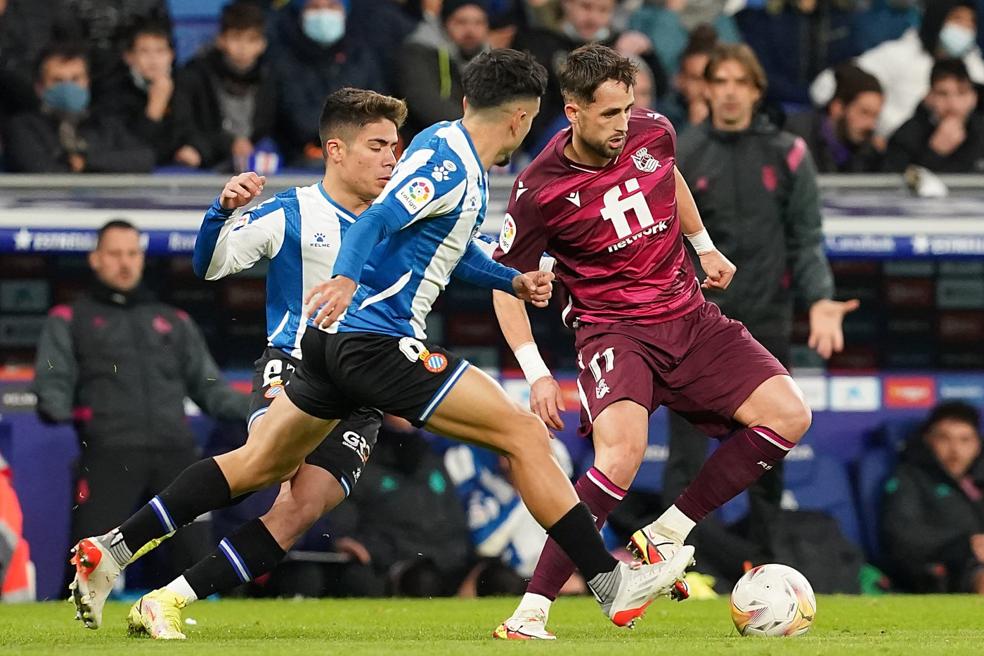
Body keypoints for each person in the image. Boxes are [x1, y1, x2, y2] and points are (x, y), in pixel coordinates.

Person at [70, 49, 693, 640]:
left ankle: (114, 552)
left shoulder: (445, 149)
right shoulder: (451, 163)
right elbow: (376, 219)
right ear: (524, 116)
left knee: (259, 468)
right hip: (377, 341)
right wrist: (344, 276)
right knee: (524, 434)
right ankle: (611, 583)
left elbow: (444, 253)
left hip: (337, 348)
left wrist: (512, 278)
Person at [491, 43, 810, 640]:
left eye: (628, 109)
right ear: (572, 111)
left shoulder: (654, 131)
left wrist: (703, 243)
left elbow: (669, 176)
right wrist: (536, 371)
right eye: (608, 114)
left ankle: (665, 534)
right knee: (620, 456)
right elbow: (504, 285)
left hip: (690, 318)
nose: (622, 125)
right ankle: (531, 609)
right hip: (613, 331)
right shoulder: (538, 189)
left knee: (789, 414)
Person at [67, 87, 402, 636]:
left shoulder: (398, 221)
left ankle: (166, 599)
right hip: (297, 366)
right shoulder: (291, 211)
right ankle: (116, 548)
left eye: (396, 146)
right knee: (266, 464)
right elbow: (213, 265)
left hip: (362, 392)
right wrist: (218, 212)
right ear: (336, 150)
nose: (392, 158)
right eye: (378, 145)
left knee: (299, 511)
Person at [664, 42, 858, 588]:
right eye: (718, 80)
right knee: (684, 456)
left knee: (768, 458)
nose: (728, 91)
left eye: (738, 82)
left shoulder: (790, 152)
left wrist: (821, 298)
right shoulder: (682, 155)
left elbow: (807, 239)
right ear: (705, 89)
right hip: (694, 328)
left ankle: (765, 569)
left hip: (766, 326)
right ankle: (682, 573)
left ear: (755, 90)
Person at [32, 218, 248, 598]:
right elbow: (53, 384)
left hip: (177, 455)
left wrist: (263, 411)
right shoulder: (69, 319)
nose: (125, 262)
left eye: (132, 253)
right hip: (108, 453)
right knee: (90, 565)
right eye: (115, 254)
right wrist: (54, 404)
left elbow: (212, 391)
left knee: (198, 559)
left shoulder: (172, 320)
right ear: (96, 259)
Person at [810, 0, 984, 138]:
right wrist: (875, 125)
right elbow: (825, 85)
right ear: (937, 18)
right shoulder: (898, 55)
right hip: (894, 157)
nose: (965, 29)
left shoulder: (973, 66)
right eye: (957, 19)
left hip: (956, 161)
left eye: (971, 23)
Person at [513, 0, 668, 151]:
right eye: (586, 7)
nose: (593, 18)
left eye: (603, 10)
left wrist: (649, 54)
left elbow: (659, 92)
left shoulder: (620, 45)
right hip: (546, 145)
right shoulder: (539, 42)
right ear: (566, 3)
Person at [882, 402, 984, 595]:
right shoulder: (909, 478)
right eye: (945, 439)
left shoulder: (979, 480)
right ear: (928, 440)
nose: (955, 450)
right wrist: (966, 544)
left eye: (965, 440)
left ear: (978, 444)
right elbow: (900, 536)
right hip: (947, 568)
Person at [268, 0, 387, 164]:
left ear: (344, 12)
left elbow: (378, 110)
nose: (324, 14)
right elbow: (299, 121)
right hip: (301, 157)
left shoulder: (361, 56)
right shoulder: (284, 60)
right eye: (315, 7)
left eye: (332, 6)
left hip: (360, 153)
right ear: (301, 13)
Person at [4, 43, 155, 173]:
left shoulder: (105, 124)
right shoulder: (23, 127)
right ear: (40, 87)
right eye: (58, 80)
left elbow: (143, 158)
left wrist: (84, 162)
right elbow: (42, 171)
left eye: (75, 79)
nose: (68, 87)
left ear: (87, 82)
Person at [171, 0, 277, 171]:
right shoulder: (195, 74)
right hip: (207, 158)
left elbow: (274, 129)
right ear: (221, 40)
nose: (243, 47)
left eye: (251, 39)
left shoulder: (271, 76)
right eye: (236, 38)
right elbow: (185, 126)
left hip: (256, 162)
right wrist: (227, 144)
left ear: (262, 44)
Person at [397, 0, 490, 137]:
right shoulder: (418, 52)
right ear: (444, 23)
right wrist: (478, 129)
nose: (470, 31)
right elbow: (426, 103)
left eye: (478, 23)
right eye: (461, 22)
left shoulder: (489, 59)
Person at [94, 18, 180, 165]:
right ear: (129, 57)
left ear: (171, 55)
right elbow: (132, 149)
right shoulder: (112, 93)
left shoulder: (186, 84)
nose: (153, 60)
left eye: (160, 51)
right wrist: (155, 108)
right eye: (144, 51)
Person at [883, 58, 984, 173]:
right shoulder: (906, 137)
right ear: (929, 97)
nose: (952, 104)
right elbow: (891, 185)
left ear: (973, 97)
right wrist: (935, 153)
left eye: (961, 93)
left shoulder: (981, 130)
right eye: (942, 94)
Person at [786, 63, 885, 173]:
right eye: (864, 113)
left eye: (875, 116)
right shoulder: (796, 138)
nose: (871, 125)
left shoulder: (869, 151)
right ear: (837, 108)